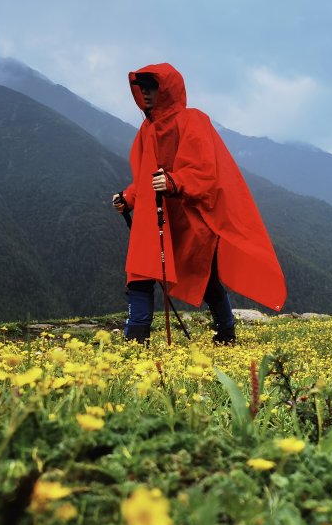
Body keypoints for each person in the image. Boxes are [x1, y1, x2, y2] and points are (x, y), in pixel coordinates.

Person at [112, 63, 286, 343]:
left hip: (190, 217)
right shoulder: (146, 129)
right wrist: (129, 198)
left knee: (203, 275)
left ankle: (226, 333)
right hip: (155, 217)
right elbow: (145, 176)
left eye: (152, 87)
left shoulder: (192, 120)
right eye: (141, 88)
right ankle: (135, 339)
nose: (145, 93)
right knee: (140, 272)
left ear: (167, 89)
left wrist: (174, 181)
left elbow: (205, 171)